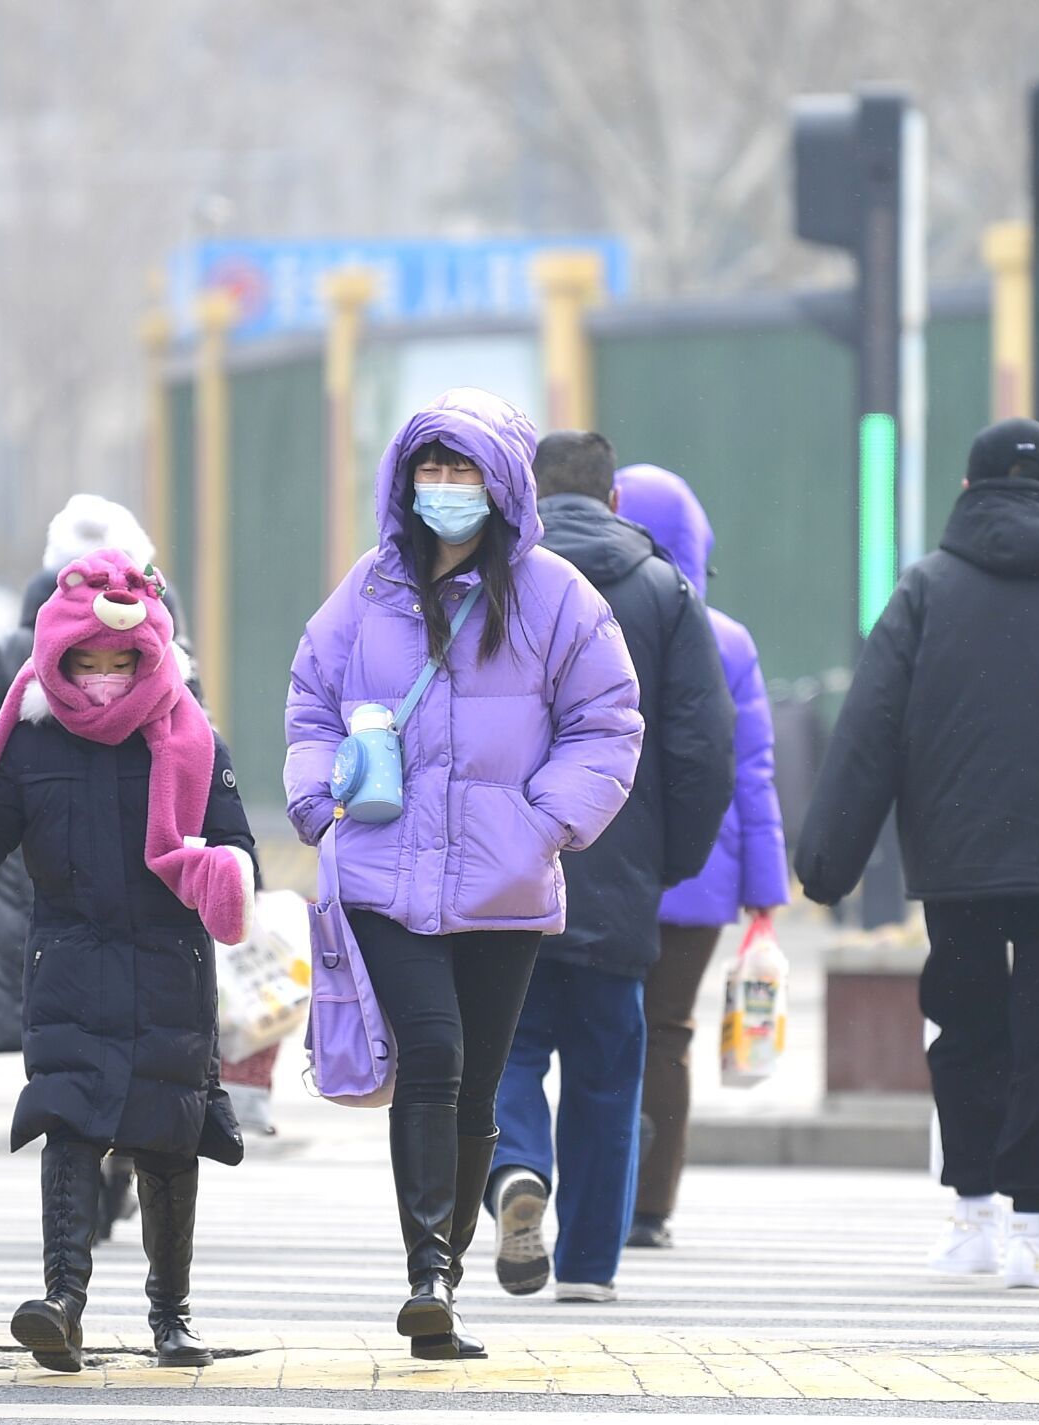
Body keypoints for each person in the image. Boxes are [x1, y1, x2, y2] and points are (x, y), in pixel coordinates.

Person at [285, 389, 644, 1359]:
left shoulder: (557, 597)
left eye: (463, 468)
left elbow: (606, 721)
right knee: (433, 1056)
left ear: (505, 483)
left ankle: (443, 1261)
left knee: (480, 1086)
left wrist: (546, 824)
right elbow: (312, 698)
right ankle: (427, 1275)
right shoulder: (367, 589)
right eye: (429, 469)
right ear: (403, 481)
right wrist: (317, 798)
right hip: (383, 873)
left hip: (504, 884)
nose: (445, 487)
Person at [796, 419, 1039, 1289]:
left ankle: (972, 1213)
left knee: (965, 1025)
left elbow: (869, 731)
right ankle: (1034, 1232)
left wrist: (826, 860)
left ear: (968, 493)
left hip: (958, 857)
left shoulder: (924, 594)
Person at [0, 548, 256, 1373]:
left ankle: (172, 1313)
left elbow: (237, 845)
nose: (102, 678)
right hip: (66, 962)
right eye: (85, 662)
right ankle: (62, 1301)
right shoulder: (30, 741)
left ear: (150, 653)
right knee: (68, 1123)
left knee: (168, 1138)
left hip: (169, 964)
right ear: (54, 657)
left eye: (119, 661)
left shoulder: (192, 735)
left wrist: (223, 872)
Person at [486, 437, 734, 1303]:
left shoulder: (493, 579)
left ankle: (516, 1169)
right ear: (616, 500)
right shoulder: (665, 591)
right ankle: (589, 1262)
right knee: (606, 1066)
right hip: (619, 872)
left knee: (508, 1048)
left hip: (503, 866)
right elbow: (704, 746)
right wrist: (669, 863)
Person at [0, 494, 179, 1238]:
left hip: (40, 880)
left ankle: (102, 1162)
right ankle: (94, 1182)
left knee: (74, 1057)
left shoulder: (19, 648)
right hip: (58, 880)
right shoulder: (36, 655)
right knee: (78, 1058)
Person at [611, 462, 790, 1252]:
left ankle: (588, 1189)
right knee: (668, 1036)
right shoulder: (727, 639)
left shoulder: (583, 612)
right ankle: (650, 1206)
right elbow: (750, 769)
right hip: (699, 875)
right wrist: (764, 888)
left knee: (591, 1031)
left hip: (598, 863)